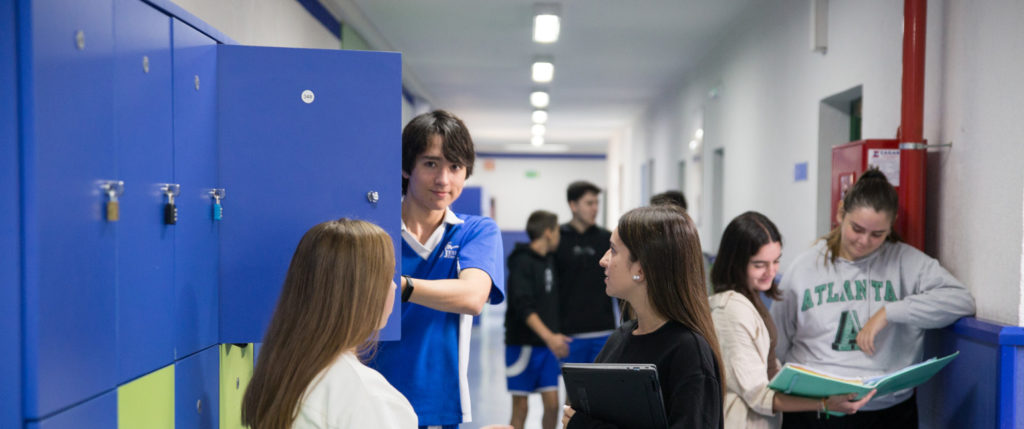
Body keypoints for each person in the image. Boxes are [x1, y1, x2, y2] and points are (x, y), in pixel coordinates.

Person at [770, 169, 975, 428]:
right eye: (857, 229)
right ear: (840, 213)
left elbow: (961, 300)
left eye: (877, 234)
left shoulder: (906, 261)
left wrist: (890, 312)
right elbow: (778, 344)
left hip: (888, 411)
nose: (864, 241)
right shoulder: (804, 268)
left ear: (892, 225)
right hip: (817, 410)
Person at [369, 110, 506, 428]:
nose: (444, 179)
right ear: (406, 168)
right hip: (371, 396)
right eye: (431, 164)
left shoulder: (475, 231)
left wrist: (401, 286)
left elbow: (472, 296)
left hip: (437, 403)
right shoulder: (373, 232)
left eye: (455, 167)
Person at [241, 219, 417, 428]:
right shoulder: (366, 396)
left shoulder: (280, 374)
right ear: (359, 293)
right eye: (388, 276)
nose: (395, 285)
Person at [563, 205, 725, 429]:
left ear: (642, 269)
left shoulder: (688, 353)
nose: (603, 260)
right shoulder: (620, 338)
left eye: (613, 250)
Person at [709, 212, 875, 429]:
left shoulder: (752, 299)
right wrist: (824, 403)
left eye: (776, 261)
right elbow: (758, 395)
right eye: (759, 264)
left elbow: (770, 369)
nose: (771, 272)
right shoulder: (729, 312)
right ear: (735, 263)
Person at [504, 210, 570, 429]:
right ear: (549, 233)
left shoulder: (550, 260)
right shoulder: (520, 262)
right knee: (521, 407)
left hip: (546, 348)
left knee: (552, 405)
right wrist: (549, 337)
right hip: (521, 345)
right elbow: (523, 306)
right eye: (557, 231)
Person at [555, 181, 615, 365]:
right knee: (574, 392)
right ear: (573, 205)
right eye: (589, 203)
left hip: (605, 331)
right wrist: (553, 331)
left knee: (602, 391)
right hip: (569, 334)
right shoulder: (558, 239)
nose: (595, 208)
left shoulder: (607, 238)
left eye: (597, 203)